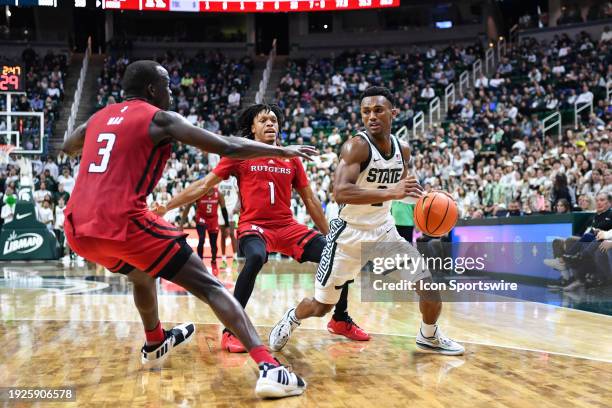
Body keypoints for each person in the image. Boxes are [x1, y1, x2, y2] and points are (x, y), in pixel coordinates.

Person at [62, 60, 311, 398]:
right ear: (152, 90)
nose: (171, 93)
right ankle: (270, 367)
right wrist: (281, 149)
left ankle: (155, 341)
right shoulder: (160, 118)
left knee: (141, 274)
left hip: (77, 228)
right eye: (167, 86)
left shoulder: (98, 117)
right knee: (210, 286)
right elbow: (229, 146)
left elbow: (68, 145)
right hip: (123, 220)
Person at [156, 103, 370, 354]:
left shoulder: (290, 158)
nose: (270, 123)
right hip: (254, 226)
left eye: (274, 120)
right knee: (256, 256)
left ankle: (340, 318)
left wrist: (329, 236)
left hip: (287, 227)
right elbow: (204, 184)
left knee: (337, 256)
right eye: (263, 120)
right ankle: (231, 330)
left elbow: (310, 200)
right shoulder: (239, 155)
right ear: (252, 129)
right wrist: (167, 206)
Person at [269, 86, 464, 356]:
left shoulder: (402, 150)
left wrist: (430, 200)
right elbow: (340, 193)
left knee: (428, 286)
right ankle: (292, 317)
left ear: (393, 112)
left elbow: (404, 190)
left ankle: (428, 336)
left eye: (378, 110)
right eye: (366, 111)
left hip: (384, 231)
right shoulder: (356, 146)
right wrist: (392, 192)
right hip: (347, 235)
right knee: (321, 306)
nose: (371, 116)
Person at [180, 186, 228, 275]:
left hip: (213, 220)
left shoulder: (219, 194)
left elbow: (224, 210)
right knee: (201, 239)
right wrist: (182, 224)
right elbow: (188, 207)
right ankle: (200, 263)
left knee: (213, 244)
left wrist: (227, 225)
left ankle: (213, 262)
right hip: (201, 218)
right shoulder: (199, 192)